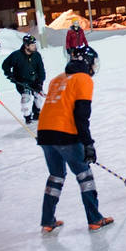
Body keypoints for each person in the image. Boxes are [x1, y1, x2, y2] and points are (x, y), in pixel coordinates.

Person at [36, 45, 113, 233]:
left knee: (56, 176)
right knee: (84, 176)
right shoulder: (84, 79)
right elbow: (81, 115)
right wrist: (88, 144)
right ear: (87, 63)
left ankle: (47, 221)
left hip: (45, 133)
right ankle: (95, 219)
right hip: (65, 134)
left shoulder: (57, 79)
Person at [2, 34, 47, 124]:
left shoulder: (37, 55)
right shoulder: (16, 55)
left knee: (38, 97)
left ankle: (36, 112)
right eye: (32, 45)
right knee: (25, 97)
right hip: (21, 81)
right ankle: (27, 115)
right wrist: (10, 75)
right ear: (26, 45)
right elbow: (5, 65)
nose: (34, 47)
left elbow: (41, 70)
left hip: (35, 81)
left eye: (35, 45)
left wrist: (40, 82)